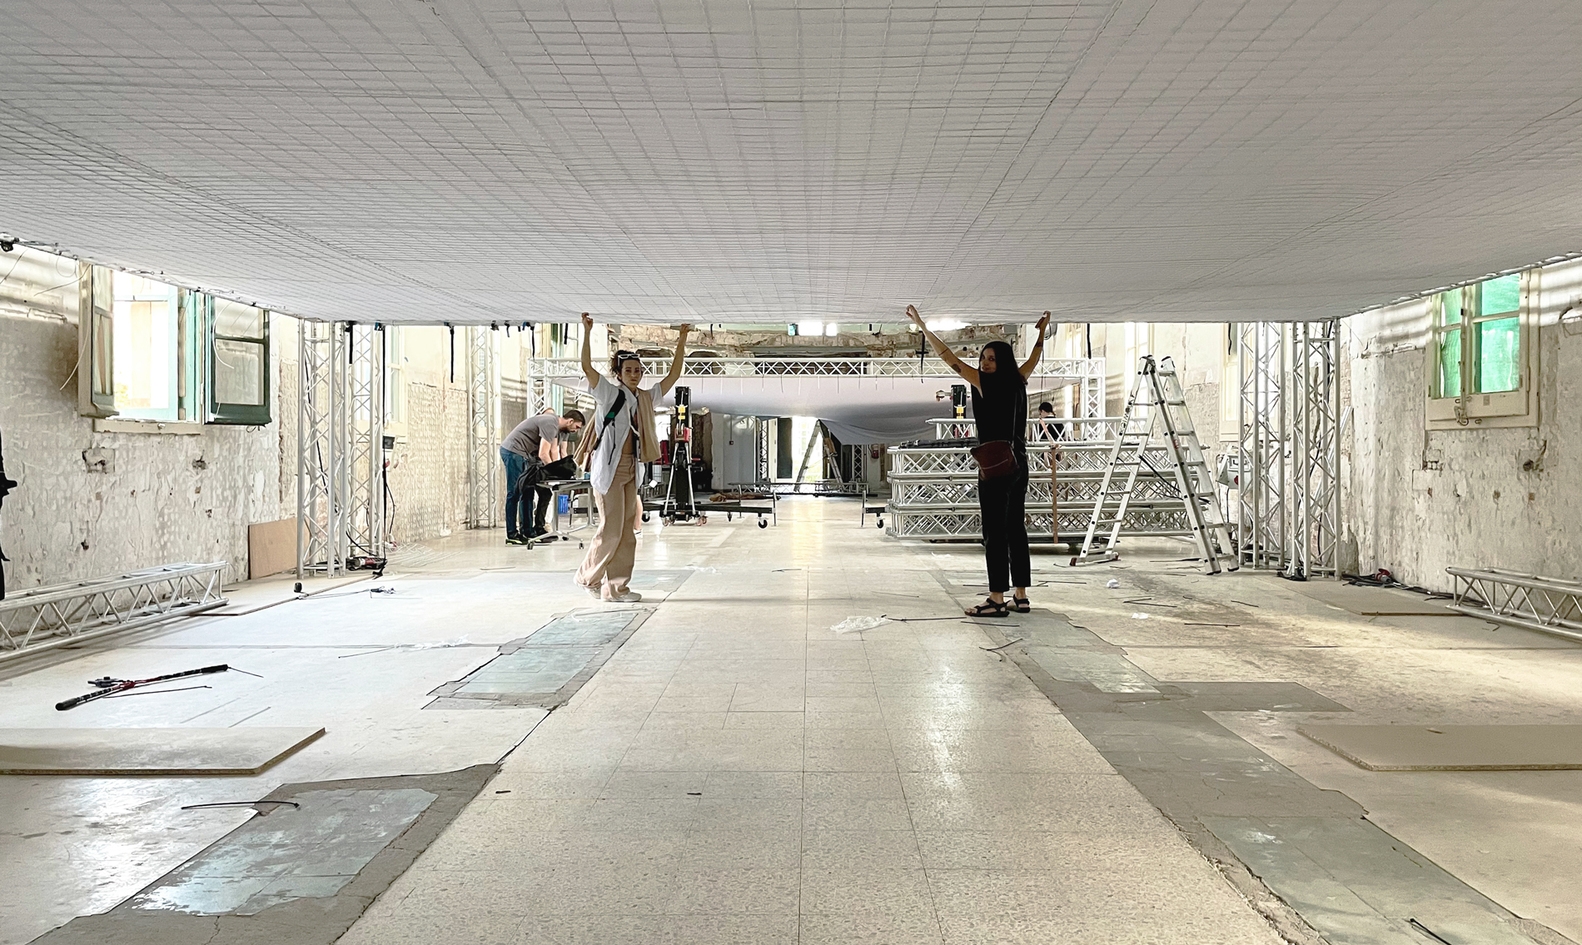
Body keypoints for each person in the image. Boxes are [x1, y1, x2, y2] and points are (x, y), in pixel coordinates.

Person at [906, 304, 1050, 617]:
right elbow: (1033, 361)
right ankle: (1021, 595)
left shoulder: (985, 383)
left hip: (995, 465)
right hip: (1019, 462)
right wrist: (1040, 335)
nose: (984, 364)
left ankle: (997, 599)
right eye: (983, 358)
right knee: (1015, 528)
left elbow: (948, 358)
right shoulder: (1018, 379)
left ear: (1001, 362)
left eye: (991, 359)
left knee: (994, 532)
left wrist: (922, 326)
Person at [574, 314, 691, 602]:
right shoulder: (608, 393)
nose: (635, 375)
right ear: (619, 373)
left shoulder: (644, 399)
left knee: (628, 531)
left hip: (632, 468)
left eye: (638, 370)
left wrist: (682, 339)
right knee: (611, 529)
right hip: (610, 470)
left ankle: (616, 588)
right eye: (629, 370)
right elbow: (587, 367)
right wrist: (586, 332)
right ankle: (587, 576)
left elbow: (673, 376)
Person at [500, 409, 585, 545]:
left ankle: (529, 531)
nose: (576, 430)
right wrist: (554, 472)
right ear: (570, 421)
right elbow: (544, 454)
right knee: (515, 492)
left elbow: (556, 451)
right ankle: (512, 534)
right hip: (514, 451)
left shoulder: (560, 431)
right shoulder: (551, 423)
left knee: (529, 492)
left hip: (527, 455)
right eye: (577, 427)